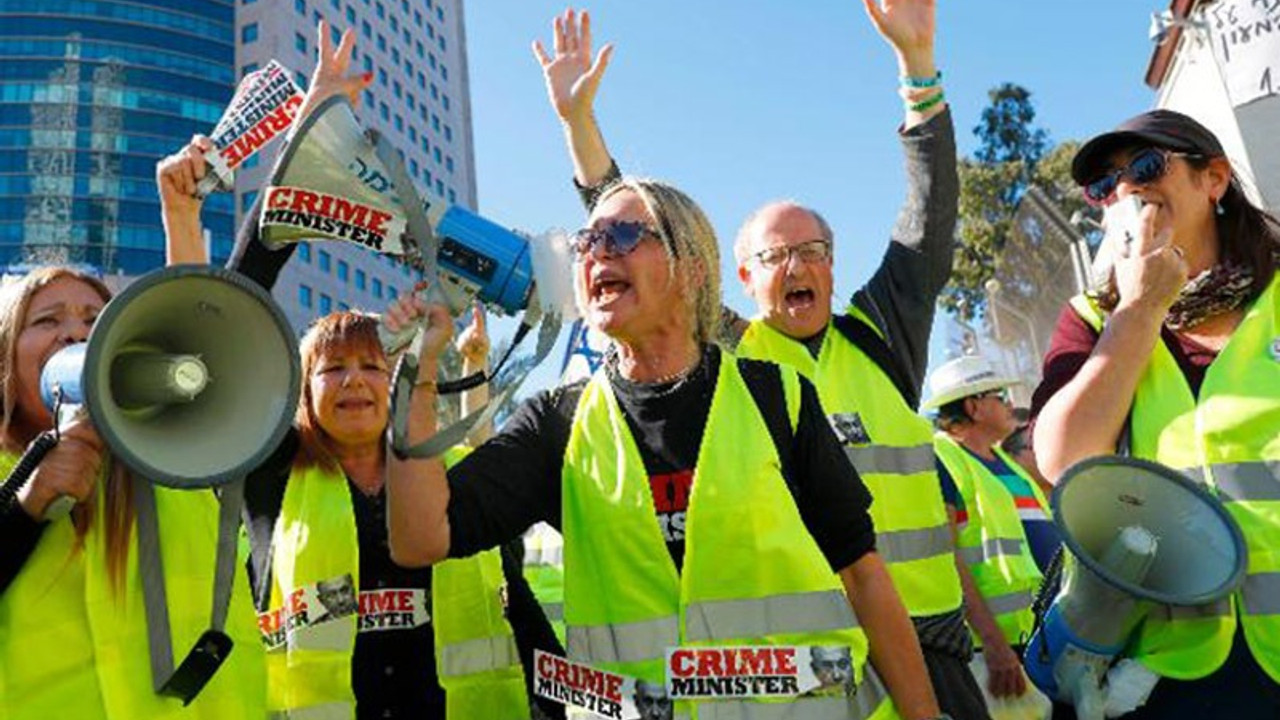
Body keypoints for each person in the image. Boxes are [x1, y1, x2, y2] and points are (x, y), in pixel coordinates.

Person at [533, 4, 981, 718]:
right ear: (736, 277)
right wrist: (578, 126)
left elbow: (930, 219)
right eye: (774, 256)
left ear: (835, 267)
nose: (796, 267)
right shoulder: (734, 353)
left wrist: (918, 67)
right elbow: (636, 236)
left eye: (813, 251)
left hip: (928, 642)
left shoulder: (882, 334)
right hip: (812, 661)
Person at [383, 170, 945, 720]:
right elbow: (418, 537)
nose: (598, 251)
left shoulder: (779, 398)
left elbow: (864, 573)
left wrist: (922, 713)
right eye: (587, 241)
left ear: (692, 270)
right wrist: (420, 367)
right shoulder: (556, 423)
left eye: (625, 235)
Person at [191, 23, 565, 719]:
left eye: (372, 364)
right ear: (301, 393)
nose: (357, 380)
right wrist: (301, 147)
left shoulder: (450, 477)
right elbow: (233, 313)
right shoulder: (269, 473)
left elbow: (519, 615)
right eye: (333, 369)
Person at [0, 145, 267, 717]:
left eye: (98, 324)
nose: (77, 336)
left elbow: (196, 333)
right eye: (47, 321)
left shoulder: (168, 452)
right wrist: (24, 508)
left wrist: (181, 218)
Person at [1030, 108, 1280, 719]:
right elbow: (1064, 460)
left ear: (1213, 179)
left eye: (1145, 166)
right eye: (1104, 185)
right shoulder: (1092, 319)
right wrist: (1140, 306)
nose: (1125, 189)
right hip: (1171, 666)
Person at [925, 355, 1058, 706]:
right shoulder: (942, 458)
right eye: (999, 396)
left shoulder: (1009, 465)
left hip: (1042, 635)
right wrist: (995, 642)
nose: (1010, 405)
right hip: (995, 651)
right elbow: (946, 554)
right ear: (973, 406)